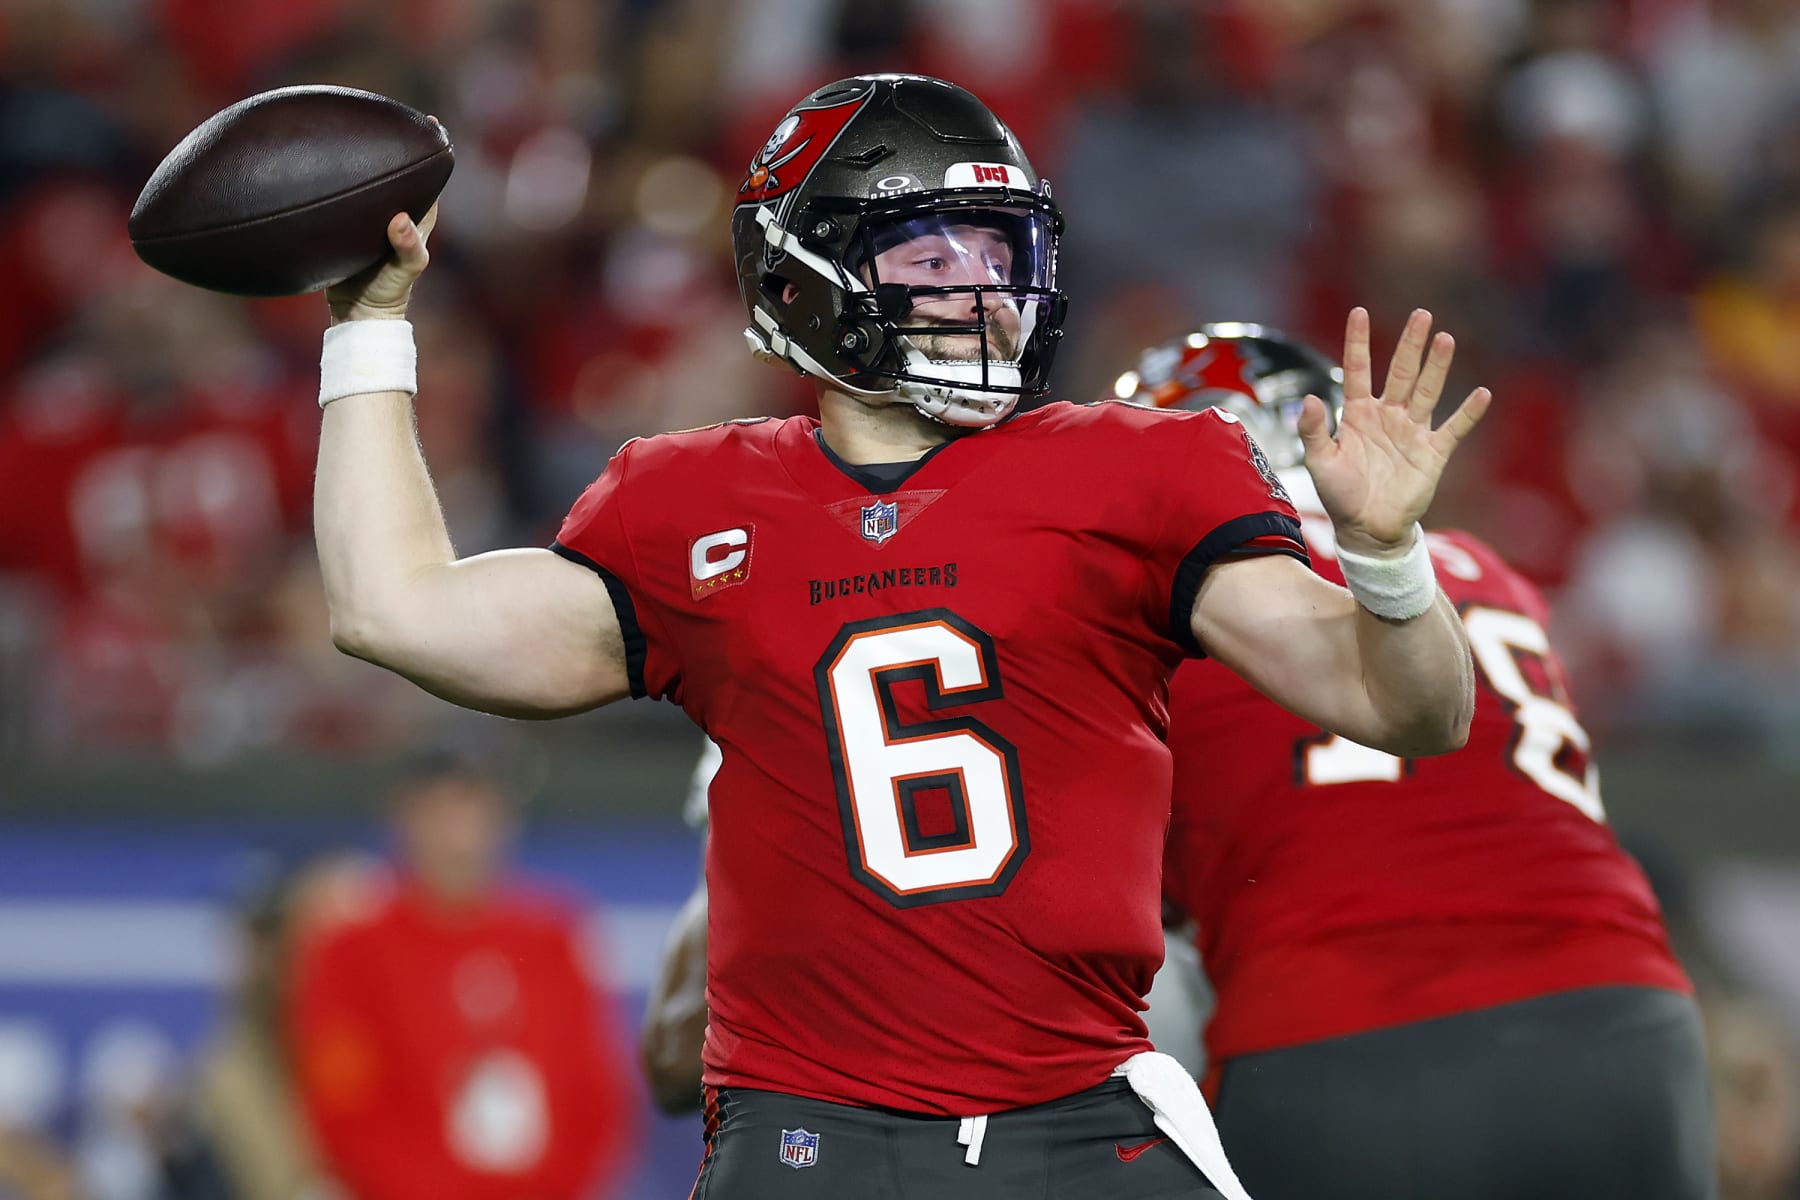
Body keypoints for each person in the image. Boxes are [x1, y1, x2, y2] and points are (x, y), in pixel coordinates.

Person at [310, 73, 1488, 1198]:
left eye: (999, 250)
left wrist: (1386, 558)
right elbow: (395, 609)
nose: (982, 289)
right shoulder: (690, 503)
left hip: (1080, 1116)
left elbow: (1411, 710)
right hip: (810, 1132)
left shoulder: (1136, 465)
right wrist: (371, 328)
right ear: (803, 276)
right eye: (930, 254)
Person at [1115, 325, 1714, 1200]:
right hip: (1625, 1021)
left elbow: (1132, 903)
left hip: (1341, 1038)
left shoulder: (1176, 608)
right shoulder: (1485, 570)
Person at [284, 751, 640, 1200]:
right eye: (438, 808)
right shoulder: (349, 949)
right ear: (402, 817)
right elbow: (341, 1104)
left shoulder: (555, 937)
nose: (459, 830)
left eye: (473, 805)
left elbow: (599, 1092)